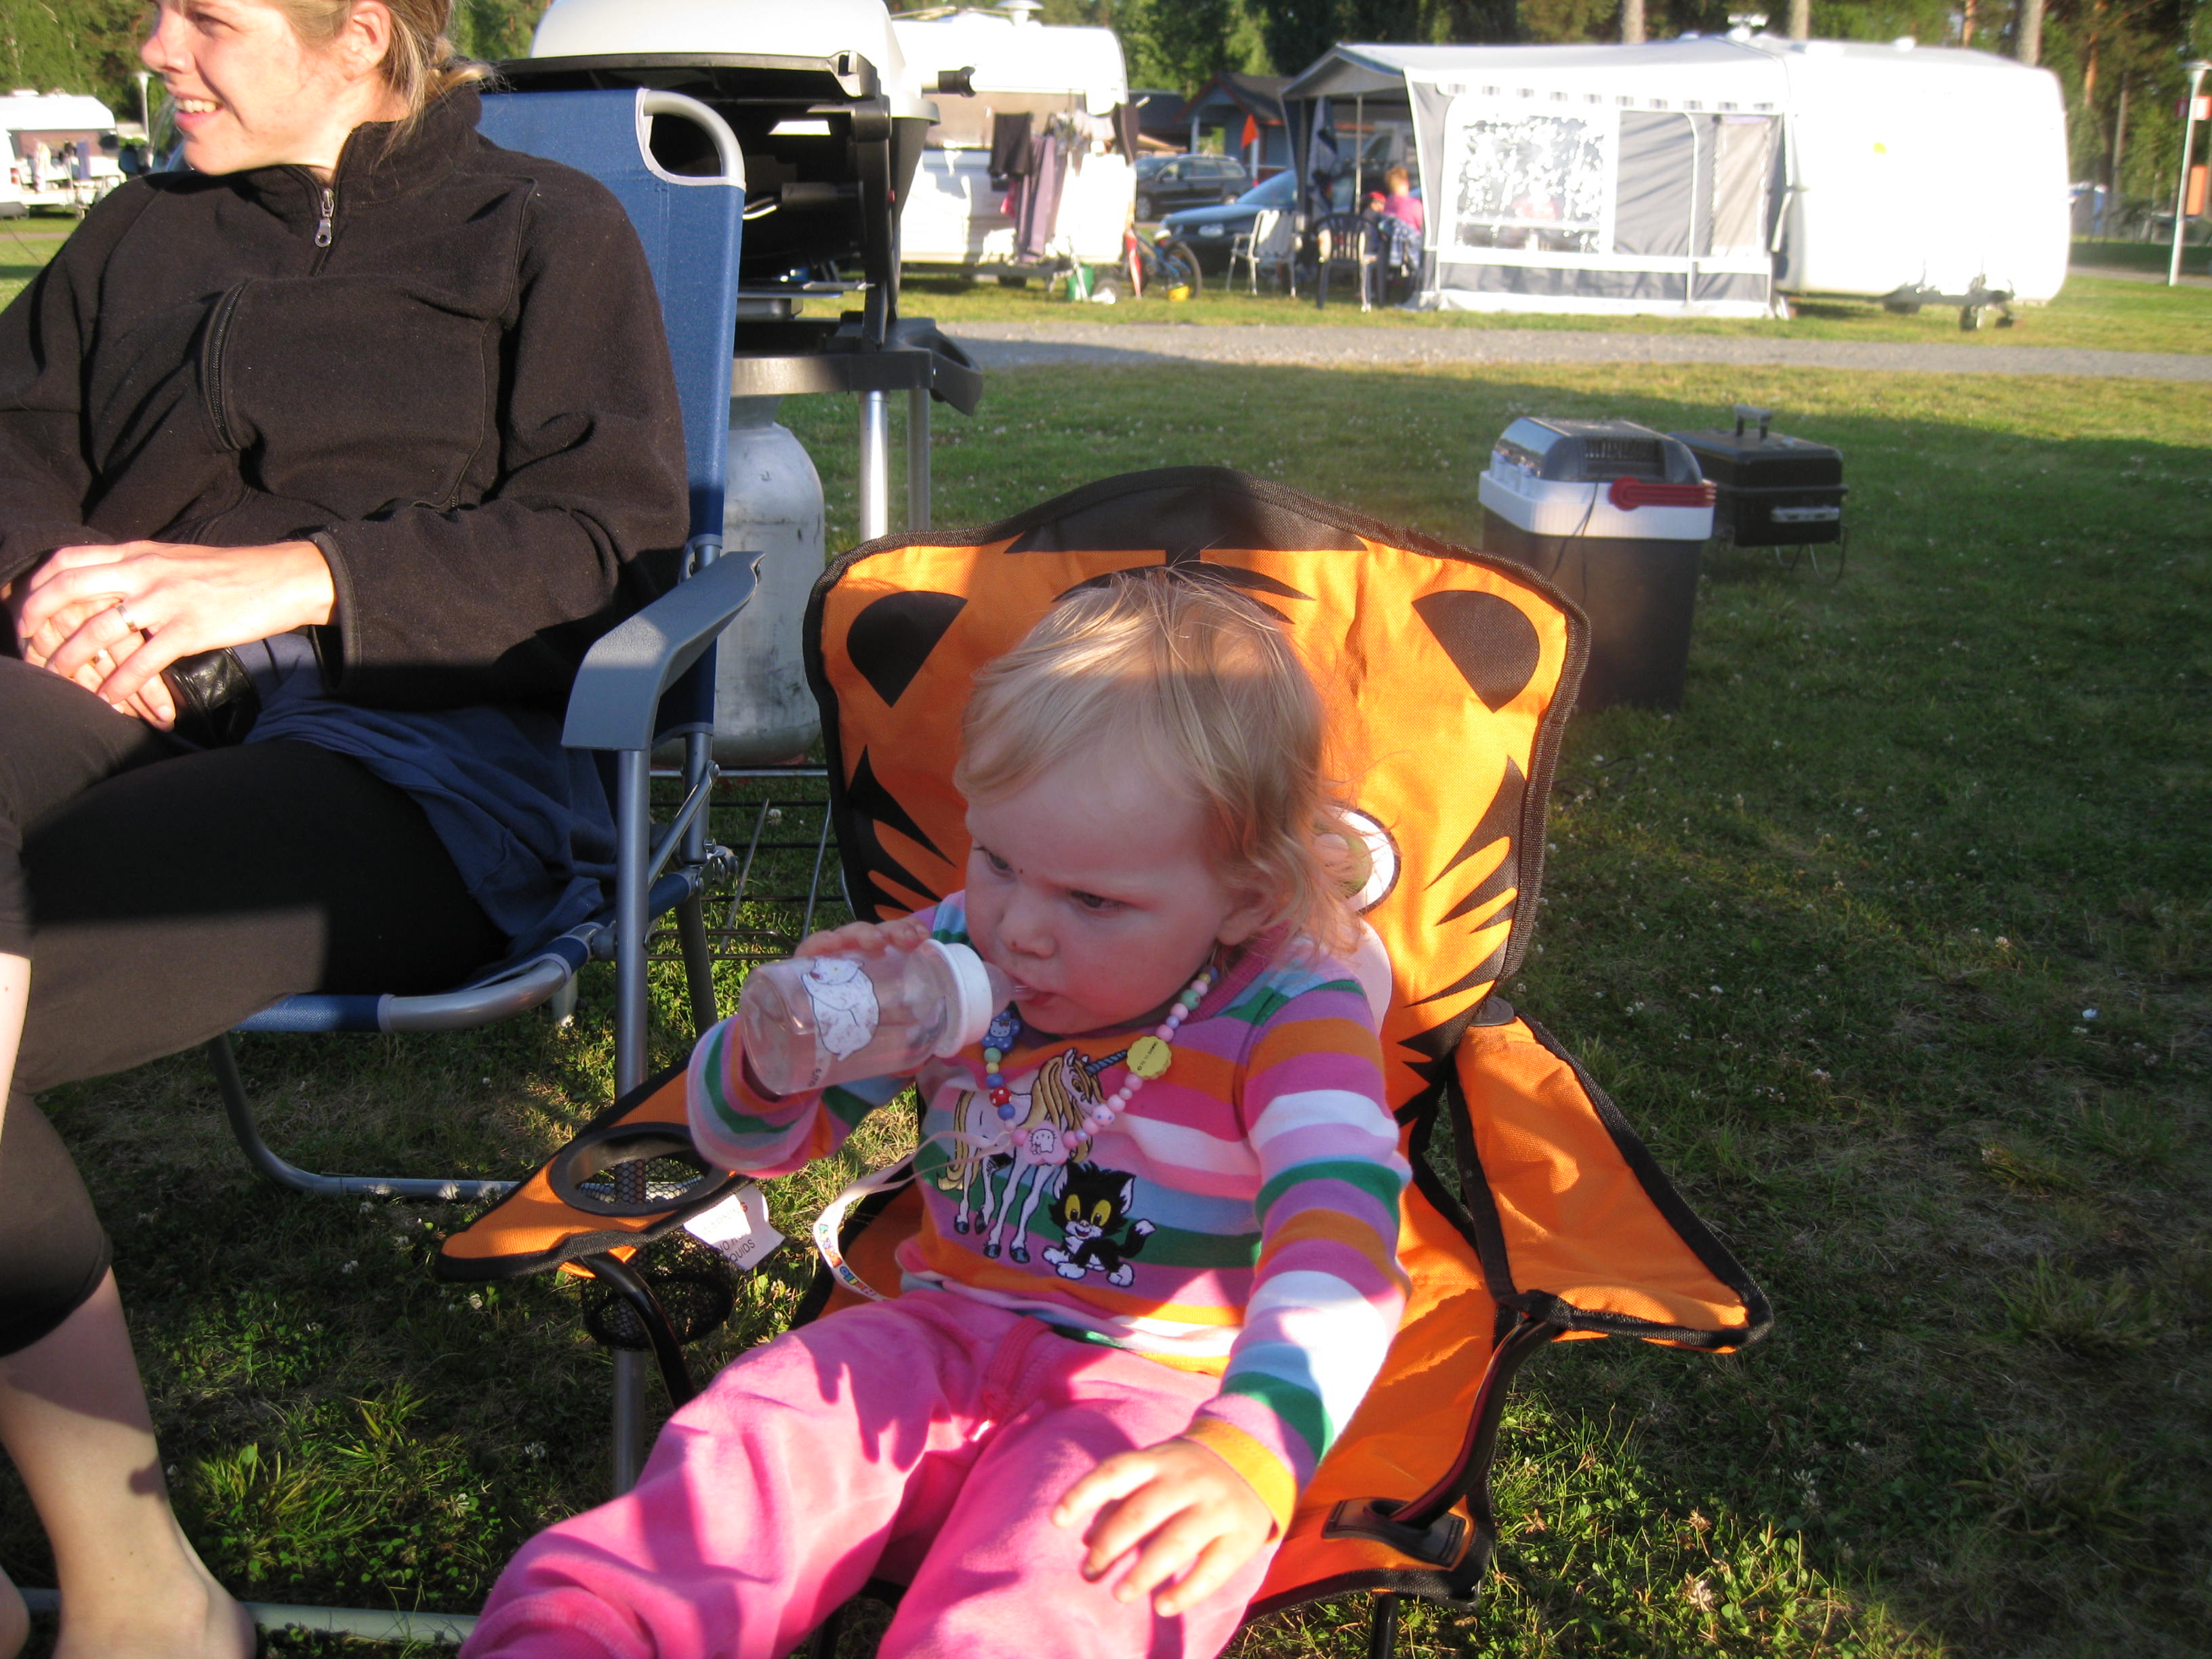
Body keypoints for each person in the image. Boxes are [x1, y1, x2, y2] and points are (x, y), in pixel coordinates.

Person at [0, 0, 688, 1652]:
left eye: (209, 16)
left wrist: (303, 577)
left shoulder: (539, 227)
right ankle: (147, 1602)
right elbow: (10, 454)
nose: (155, 49)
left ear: (360, 31)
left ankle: (134, 1586)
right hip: (118, 685)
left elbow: (606, 543)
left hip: (413, 742)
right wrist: (59, 592)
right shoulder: (130, 237)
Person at [464, 573, 1414, 1659]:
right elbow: (749, 1148)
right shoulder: (957, 950)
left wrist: (1252, 1444)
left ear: (1243, 895)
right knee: (759, 1442)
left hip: (1153, 1388)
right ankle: (584, 1631)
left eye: (1092, 900)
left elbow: (1341, 1235)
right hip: (937, 1331)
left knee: (1078, 1582)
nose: (1020, 929)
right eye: (998, 859)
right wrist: (778, 1064)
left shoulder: (1287, 1010)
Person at [1380, 164, 1423, 234]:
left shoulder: (1387, 204)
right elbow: (1424, 227)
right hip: (1412, 240)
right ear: (1404, 183)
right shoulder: (1414, 205)